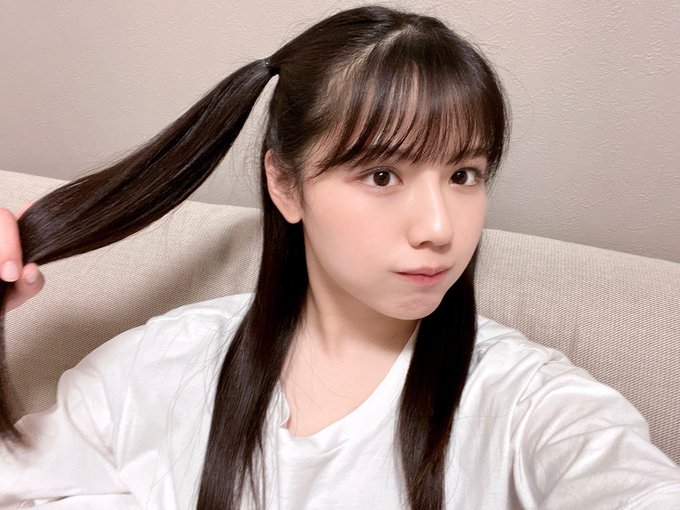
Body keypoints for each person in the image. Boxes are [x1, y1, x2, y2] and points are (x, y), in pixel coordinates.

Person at [1, 5, 679, 509]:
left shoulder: (526, 403)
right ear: (285, 185)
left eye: (464, 174)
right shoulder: (160, 369)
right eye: (382, 175)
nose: (439, 227)